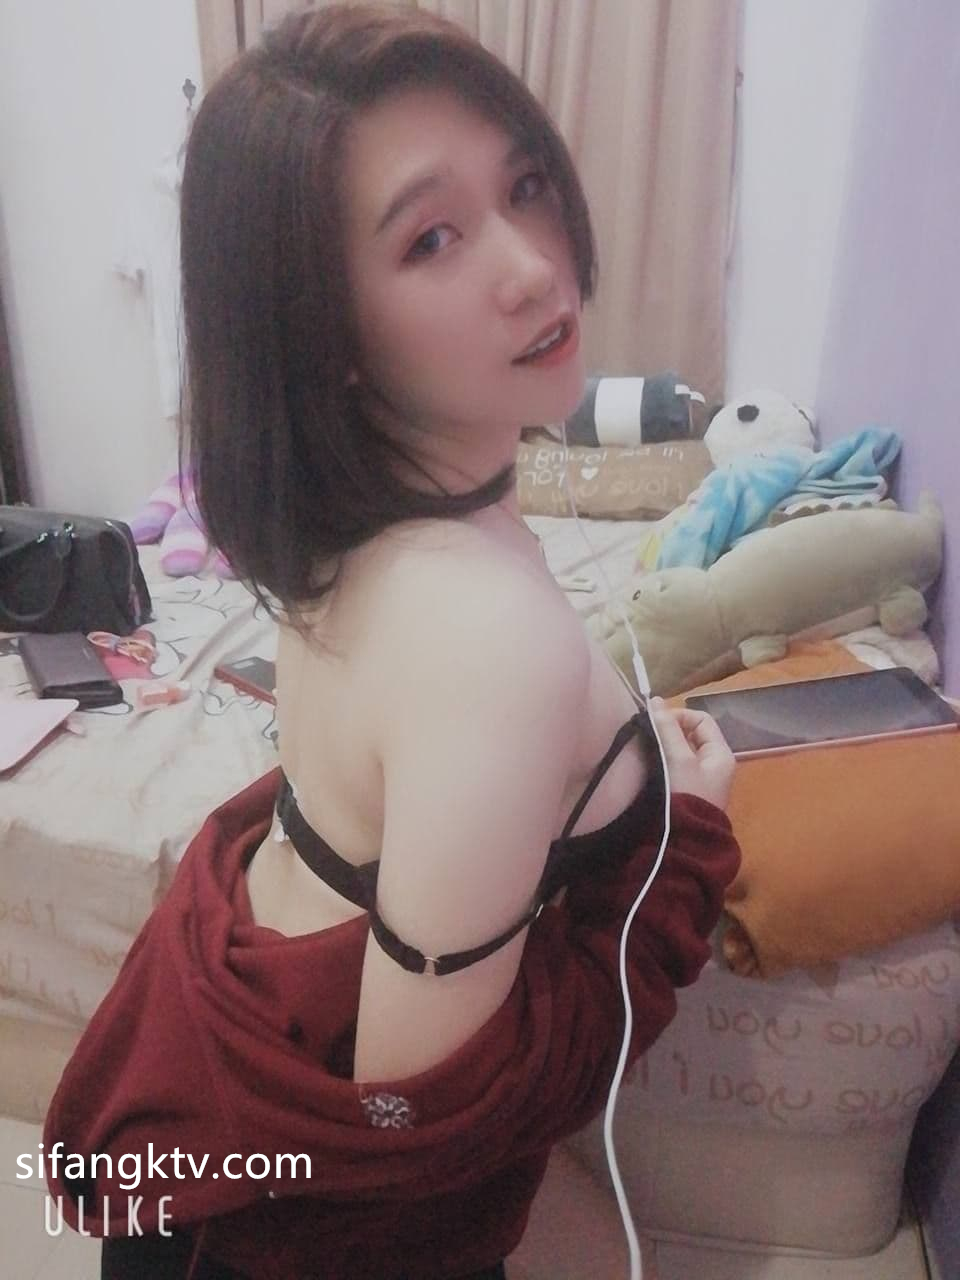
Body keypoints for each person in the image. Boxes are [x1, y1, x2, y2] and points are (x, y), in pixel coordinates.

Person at [43, 6, 741, 1278]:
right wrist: (687, 843)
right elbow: (422, 1119)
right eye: (431, 238)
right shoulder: (486, 637)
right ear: (327, 332)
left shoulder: (371, 517)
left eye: (523, 186)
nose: (531, 265)